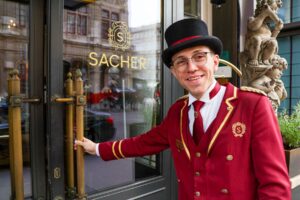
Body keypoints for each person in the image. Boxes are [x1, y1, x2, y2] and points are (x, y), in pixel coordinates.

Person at [75, 18, 291, 200]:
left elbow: (275, 186)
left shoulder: (252, 106)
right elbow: (144, 143)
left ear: (215, 62)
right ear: (173, 71)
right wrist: (98, 149)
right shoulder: (177, 112)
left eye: (199, 56)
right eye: (181, 61)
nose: (191, 68)